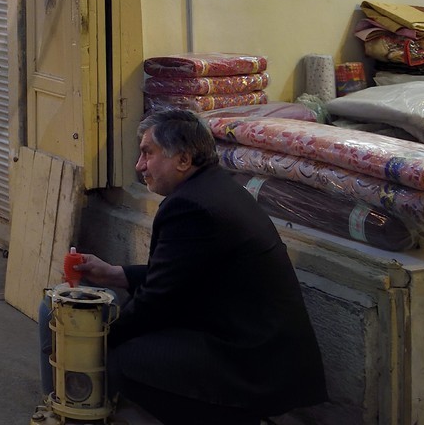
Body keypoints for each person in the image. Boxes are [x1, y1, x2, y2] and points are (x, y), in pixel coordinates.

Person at [52, 110, 327, 424]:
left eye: (147, 153)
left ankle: (227, 416)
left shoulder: (190, 206)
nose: (139, 166)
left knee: (120, 359)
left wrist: (100, 339)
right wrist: (116, 273)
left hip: (252, 360)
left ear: (183, 160)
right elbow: (181, 276)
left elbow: (159, 300)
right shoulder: (212, 188)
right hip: (262, 347)